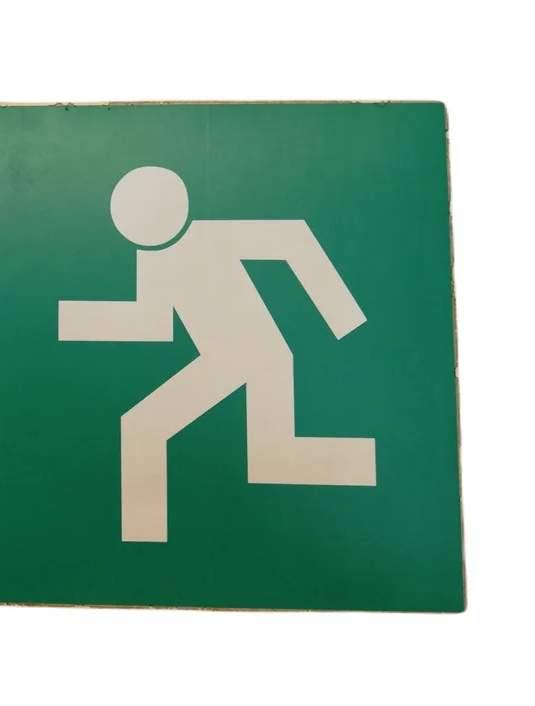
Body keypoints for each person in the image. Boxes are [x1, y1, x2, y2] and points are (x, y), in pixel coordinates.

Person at [59, 167, 375, 542]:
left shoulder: (213, 235)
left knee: (152, 429)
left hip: (258, 357)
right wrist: (70, 317)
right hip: (230, 360)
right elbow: (153, 324)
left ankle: (145, 536)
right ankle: (146, 538)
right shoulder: (153, 260)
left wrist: (342, 315)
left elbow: (293, 240)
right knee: (263, 452)